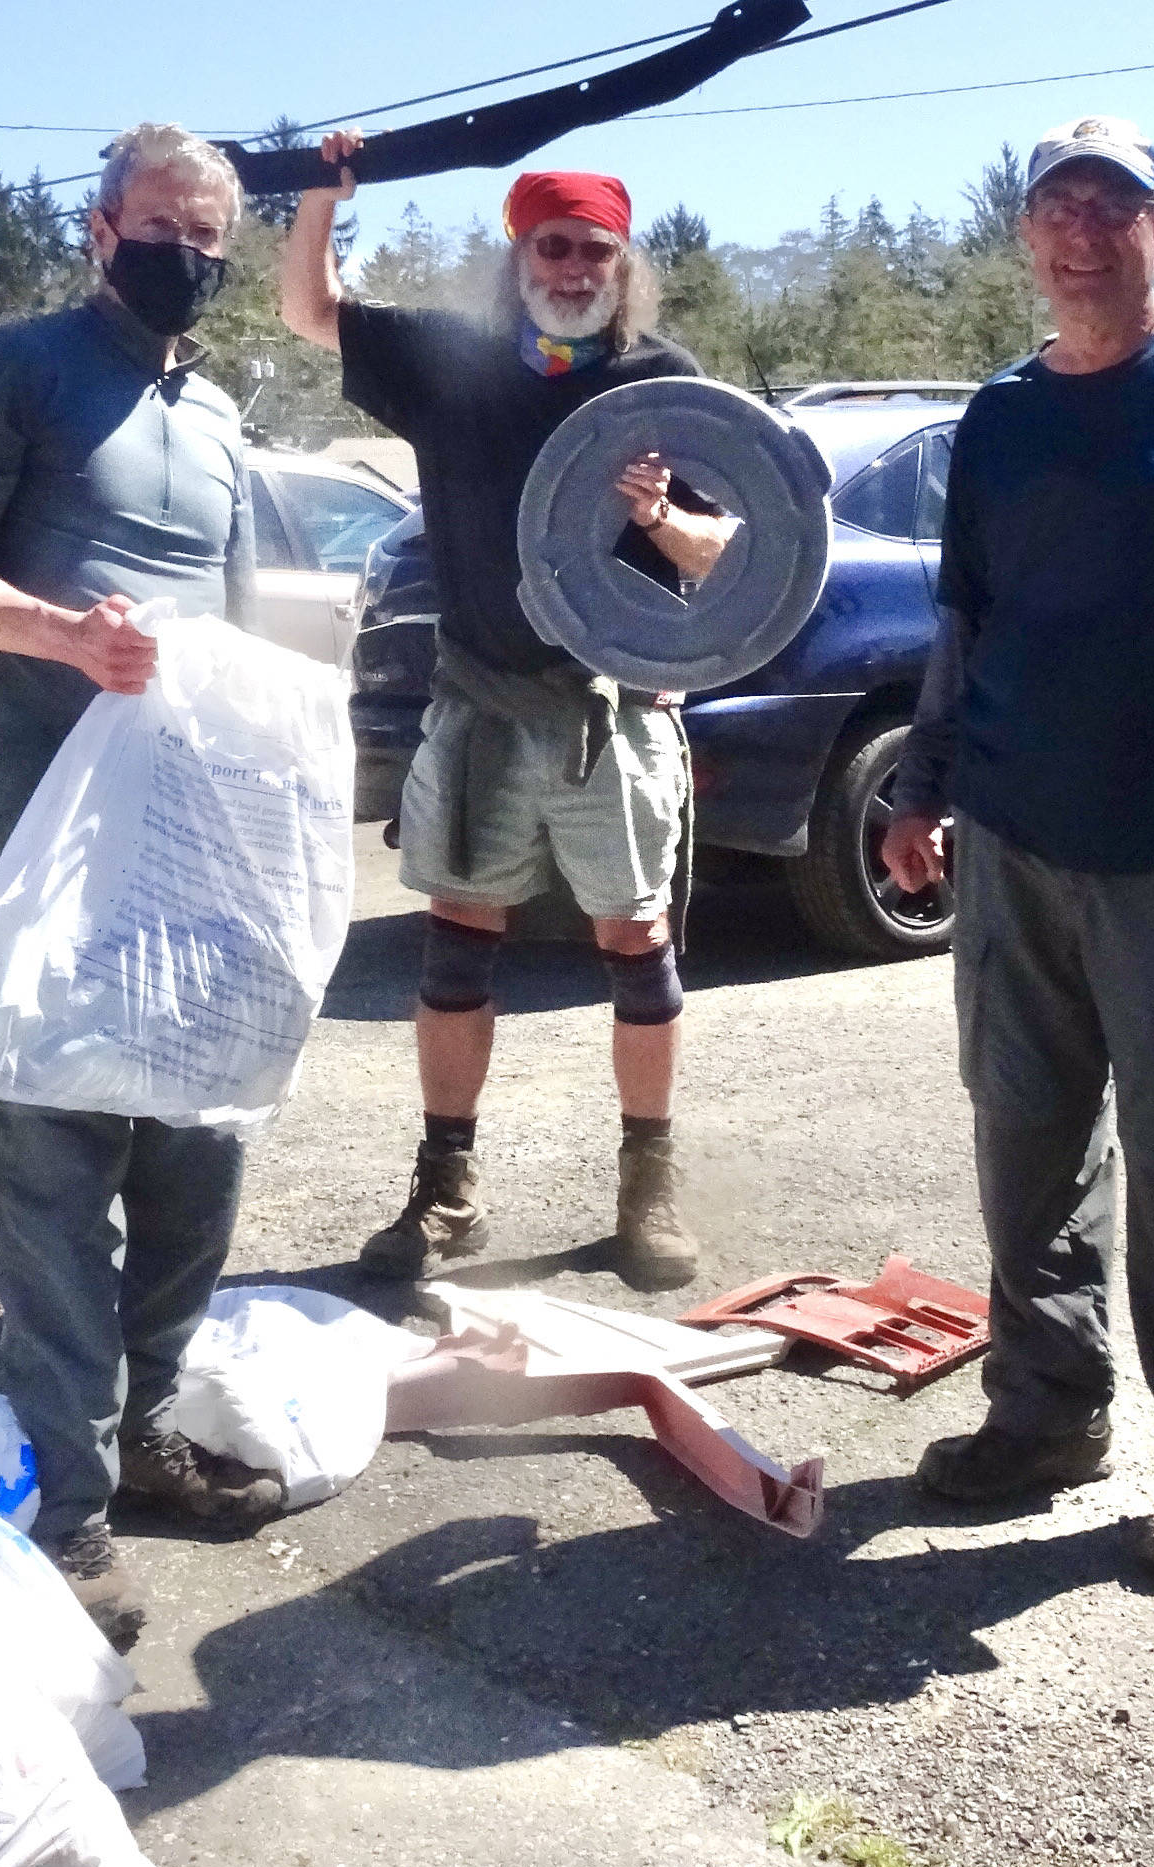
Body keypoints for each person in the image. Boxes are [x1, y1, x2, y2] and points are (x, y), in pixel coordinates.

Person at [0, 123, 280, 1651]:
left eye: (217, 238)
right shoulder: (23, 367)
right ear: (105, 228)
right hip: (52, 854)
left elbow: (243, 630)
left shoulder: (222, 414)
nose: (194, 255)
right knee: (54, 1180)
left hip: (194, 859)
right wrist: (62, 636)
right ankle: (70, 1506)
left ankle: (145, 1433)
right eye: (169, 225)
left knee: (195, 1160)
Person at [882, 115, 1154, 1584]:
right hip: (1011, 842)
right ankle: (1049, 1411)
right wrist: (916, 790)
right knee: (1027, 1139)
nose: (1080, 232)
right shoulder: (1000, 416)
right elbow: (964, 622)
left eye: (1112, 207)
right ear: (1026, 236)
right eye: (1056, 206)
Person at [282, 133, 734, 1289]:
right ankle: (447, 1186)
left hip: (611, 706)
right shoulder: (447, 359)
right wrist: (323, 201)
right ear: (517, 250)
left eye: (594, 249)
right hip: (478, 699)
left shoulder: (661, 381)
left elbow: (723, 548)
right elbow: (308, 309)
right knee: (456, 941)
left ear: (622, 262)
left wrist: (659, 520)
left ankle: (648, 1184)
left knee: (636, 942)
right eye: (553, 244)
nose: (573, 267)